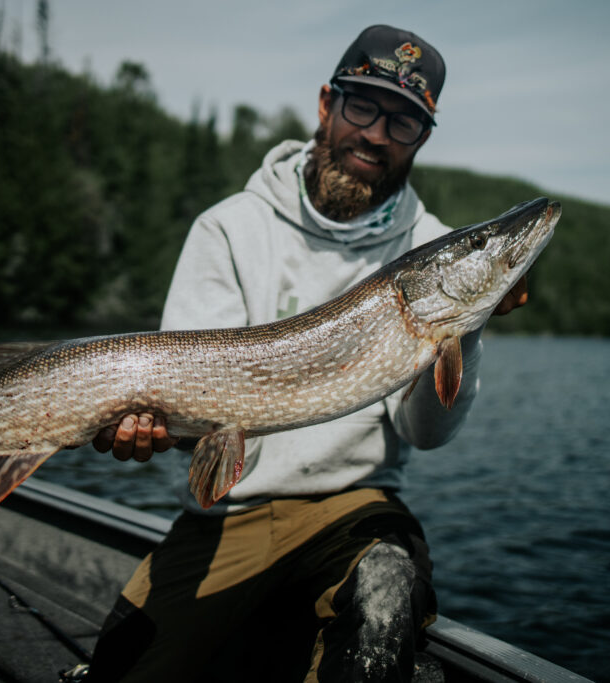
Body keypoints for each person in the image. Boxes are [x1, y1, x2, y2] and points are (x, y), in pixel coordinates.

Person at [87, 25, 528, 682]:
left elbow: (426, 434)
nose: (376, 135)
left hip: (353, 508)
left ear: (422, 139)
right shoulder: (229, 227)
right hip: (226, 511)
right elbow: (193, 415)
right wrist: (158, 428)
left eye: (404, 122)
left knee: (386, 593)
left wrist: (463, 329)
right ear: (327, 104)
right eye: (363, 107)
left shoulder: (432, 249)